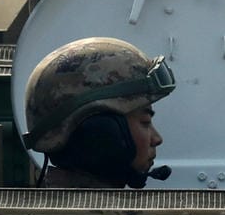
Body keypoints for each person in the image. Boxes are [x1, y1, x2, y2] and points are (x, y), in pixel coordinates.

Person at [21, 37, 173, 189]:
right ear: (100, 132)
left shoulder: (64, 209)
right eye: (145, 122)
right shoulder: (83, 213)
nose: (157, 139)